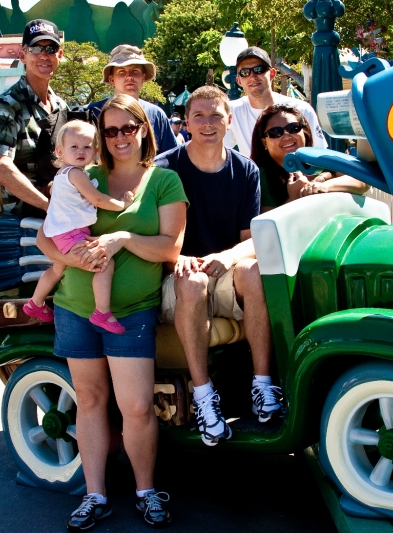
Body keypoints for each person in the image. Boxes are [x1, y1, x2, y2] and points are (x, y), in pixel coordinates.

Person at [35, 94, 186, 530]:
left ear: (143, 130)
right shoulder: (83, 174)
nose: (119, 136)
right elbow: (47, 236)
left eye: (128, 127)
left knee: (136, 406)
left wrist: (122, 238)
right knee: (90, 401)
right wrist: (73, 259)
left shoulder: (163, 180)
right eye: (110, 129)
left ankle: (145, 491)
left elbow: (170, 248)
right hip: (75, 307)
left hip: (132, 311)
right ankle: (95, 494)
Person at [154, 86, 280, 446]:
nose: (207, 123)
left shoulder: (246, 170)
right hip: (176, 275)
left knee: (254, 271)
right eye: (199, 116)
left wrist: (226, 258)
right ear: (186, 122)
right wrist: (178, 259)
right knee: (193, 283)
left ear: (229, 120)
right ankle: (204, 397)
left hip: (221, 272)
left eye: (215, 115)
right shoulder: (164, 169)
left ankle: (263, 386)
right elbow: (152, 236)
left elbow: (251, 239)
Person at [23, 120, 134, 334]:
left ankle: (35, 303)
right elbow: (97, 199)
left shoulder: (61, 175)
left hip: (60, 233)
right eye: (74, 147)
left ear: (95, 151)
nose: (81, 151)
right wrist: (123, 204)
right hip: (71, 233)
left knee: (57, 268)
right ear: (60, 151)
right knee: (104, 262)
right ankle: (102, 312)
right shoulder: (75, 174)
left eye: (87, 147)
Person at [0, 19, 67, 216]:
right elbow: (1, 167)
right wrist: (48, 206)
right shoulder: (8, 104)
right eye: (36, 48)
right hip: (25, 215)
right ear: (23, 55)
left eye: (50, 49)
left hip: (61, 201)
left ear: (60, 55)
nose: (44, 55)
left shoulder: (61, 106)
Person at [249, 104, 369, 211]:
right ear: (264, 143)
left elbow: (362, 181)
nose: (286, 136)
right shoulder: (258, 177)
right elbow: (265, 224)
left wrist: (323, 186)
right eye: (276, 132)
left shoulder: (322, 159)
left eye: (293, 128)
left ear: (304, 132)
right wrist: (294, 197)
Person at [223, 47, 328, 158]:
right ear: (238, 80)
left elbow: (320, 156)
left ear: (272, 74)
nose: (252, 76)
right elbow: (218, 152)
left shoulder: (301, 109)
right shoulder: (231, 112)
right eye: (245, 72)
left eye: (259, 69)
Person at [87, 45, 177, 155]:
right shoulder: (91, 113)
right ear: (111, 79)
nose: (129, 77)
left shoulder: (157, 115)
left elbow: (172, 157)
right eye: (122, 71)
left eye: (135, 71)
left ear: (143, 77)